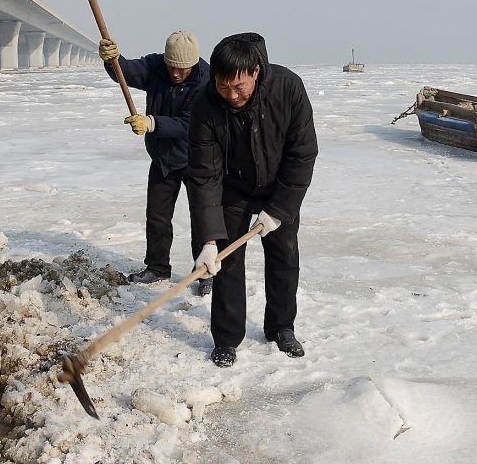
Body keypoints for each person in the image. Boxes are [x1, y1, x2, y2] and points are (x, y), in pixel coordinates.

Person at [187, 32, 318, 367]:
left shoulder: (288, 88)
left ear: (256, 72)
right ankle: (227, 338)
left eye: (239, 87)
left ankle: (281, 327)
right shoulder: (205, 104)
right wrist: (209, 238)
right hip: (232, 188)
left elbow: (302, 154)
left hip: (279, 187)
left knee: (284, 256)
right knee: (227, 260)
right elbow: (204, 175)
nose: (231, 95)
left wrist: (278, 210)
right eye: (223, 86)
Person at [99, 31, 212, 294]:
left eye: (182, 69)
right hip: (163, 157)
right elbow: (125, 73)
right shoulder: (156, 66)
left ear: (193, 64)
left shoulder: (206, 80)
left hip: (198, 158)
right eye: (171, 66)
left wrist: (152, 123)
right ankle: (158, 267)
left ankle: (204, 271)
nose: (175, 73)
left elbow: (190, 123)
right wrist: (113, 60)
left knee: (203, 217)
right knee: (158, 216)